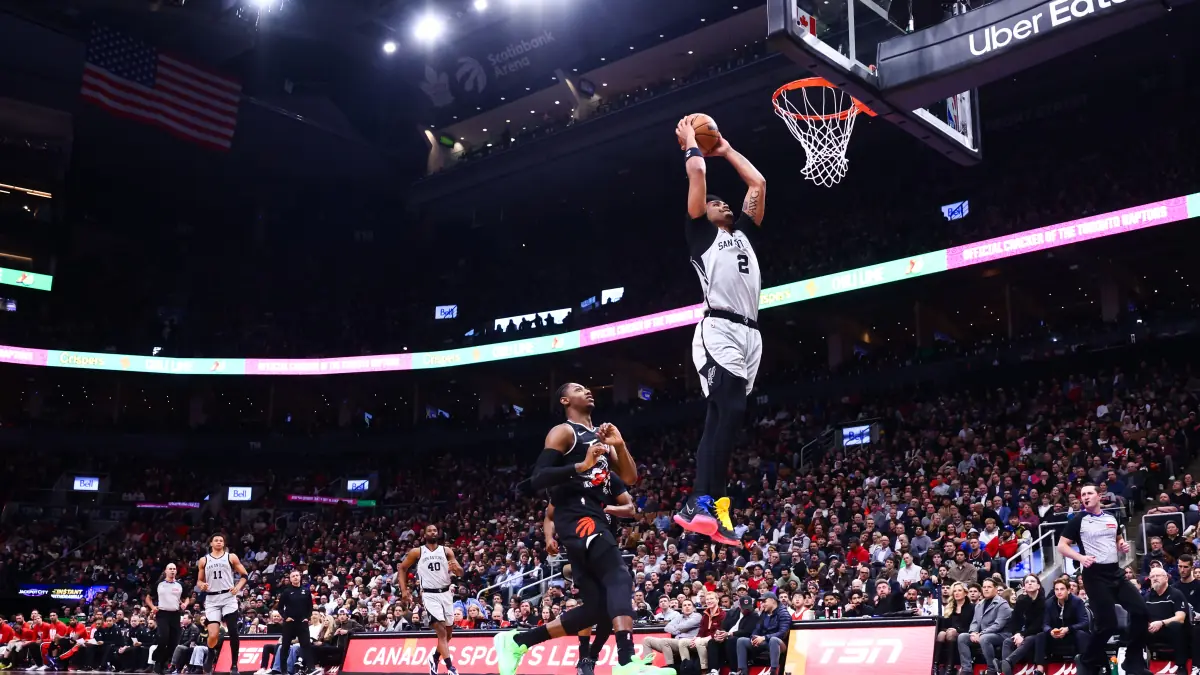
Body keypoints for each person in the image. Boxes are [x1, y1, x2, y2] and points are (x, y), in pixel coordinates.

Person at [493, 383, 667, 675]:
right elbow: (538, 477)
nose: (587, 391)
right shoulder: (564, 432)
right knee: (619, 575)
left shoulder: (601, 436)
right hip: (576, 514)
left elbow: (629, 478)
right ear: (565, 400)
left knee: (597, 609)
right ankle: (626, 661)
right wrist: (581, 465)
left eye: (587, 388)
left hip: (593, 516)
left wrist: (619, 445)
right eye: (578, 389)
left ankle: (518, 641)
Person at [672, 115, 766, 547]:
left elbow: (758, 183)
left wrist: (726, 150)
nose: (723, 204)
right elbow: (696, 172)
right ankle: (701, 501)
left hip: (751, 334)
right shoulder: (700, 234)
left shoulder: (744, 234)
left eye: (725, 203)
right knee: (730, 410)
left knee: (722, 418)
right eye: (716, 203)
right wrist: (692, 141)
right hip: (719, 327)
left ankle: (710, 506)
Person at [1058, 484, 1148, 675]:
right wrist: (1081, 558)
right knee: (1108, 625)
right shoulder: (1079, 520)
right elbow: (1062, 546)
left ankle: (1132, 660)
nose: (1085, 497)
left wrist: (1121, 544)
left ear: (1099, 496)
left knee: (1141, 611)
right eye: (1083, 494)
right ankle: (1087, 660)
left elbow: (1117, 538)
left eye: (1089, 493)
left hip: (1115, 572)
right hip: (1094, 575)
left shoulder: (1111, 517)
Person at [399, 525, 464, 675]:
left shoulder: (447, 551)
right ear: (424, 534)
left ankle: (434, 658)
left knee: (448, 635)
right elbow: (402, 568)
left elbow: (460, 572)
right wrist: (404, 590)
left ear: (438, 533)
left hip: (446, 593)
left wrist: (457, 569)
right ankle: (451, 668)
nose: (433, 532)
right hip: (429, 595)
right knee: (441, 631)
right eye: (430, 530)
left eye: (435, 530)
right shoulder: (417, 551)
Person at [197, 533, 250, 675]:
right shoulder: (203, 560)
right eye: (216, 540)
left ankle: (234, 665)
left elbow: (244, 575)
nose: (219, 542)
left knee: (233, 631)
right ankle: (211, 652)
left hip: (228, 597)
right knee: (213, 634)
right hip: (212, 599)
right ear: (211, 543)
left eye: (221, 540)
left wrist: (238, 587)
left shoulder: (231, 557)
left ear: (224, 543)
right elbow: (199, 580)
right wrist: (201, 585)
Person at [956, 577, 1011, 675]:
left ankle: (991, 669)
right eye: (984, 587)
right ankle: (967, 669)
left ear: (996, 589)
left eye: (989, 587)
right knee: (962, 637)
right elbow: (974, 622)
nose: (986, 589)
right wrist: (973, 632)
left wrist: (981, 634)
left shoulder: (1003, 604)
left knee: (985, 638)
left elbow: (998, 625)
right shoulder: (979, 604)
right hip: (983, 634)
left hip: (1001, 634)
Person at [1035, 579, 1089, 674]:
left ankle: (1085, 667)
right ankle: (1039, 669)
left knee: (1081, 634)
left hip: (1072, 634)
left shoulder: (1077, 602)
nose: (1059, 592)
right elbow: (1045, 624)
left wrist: (1068, 629)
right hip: (1056, 635)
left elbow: (1084, 622)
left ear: (1068, 590)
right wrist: (1050, 631)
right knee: (1040, 636)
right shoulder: (1049, 603)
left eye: (1062, 589)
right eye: (1056, 589)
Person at [998, 575, 1045, 675]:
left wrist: (1022, 635)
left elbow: (1038, 624)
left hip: (1038, 633)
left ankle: (1007, 662)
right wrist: (1017, 633)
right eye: (1027, 582)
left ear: (1038, 586)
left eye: (1032, 581)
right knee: (1007, 641)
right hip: (1023, 633)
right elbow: (1014, 621)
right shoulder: (1021, 601)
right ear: (1024, 587)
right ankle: (1007, 671)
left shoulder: (1043, 602)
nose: (1029, 583)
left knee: (1029, 639)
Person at [1143, 567, 1188, 674]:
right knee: (1134, 626)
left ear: (1166, 578)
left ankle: (1181, 665)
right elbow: (1142, 616)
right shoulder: (1147, 597)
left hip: (1169, 630)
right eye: (1152, 576)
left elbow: (1180, 618)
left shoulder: (1176, 594)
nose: (1154, 578)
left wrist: (1161, 623)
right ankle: (1138, 665)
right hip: (1152, 630)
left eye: (1157, 576)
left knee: (1176, 625)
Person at [734, 593, 790, 675]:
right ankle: (743, 671)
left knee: (773, 640)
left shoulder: (783, 613)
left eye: (764, 601)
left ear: (772, 600)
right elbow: (757, 628)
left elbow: (783, 633)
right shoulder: (764, 613)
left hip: (780, 643)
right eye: (762, 602)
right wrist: (753, 638)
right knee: (741, 641)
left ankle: (773, 671)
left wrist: (764, 637)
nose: (762, 604)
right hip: (764, 641)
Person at [275, 570, 319, 675]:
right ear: (290, 579)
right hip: (290, 623)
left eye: (297, 575)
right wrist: (286, 617)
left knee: (306, 645)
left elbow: (310, 607)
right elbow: (280, 608)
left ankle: (310, 668)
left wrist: (307, 617)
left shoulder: (306, 591)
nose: (295, 577)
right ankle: (283, 670)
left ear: (300, 577)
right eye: (293, 576)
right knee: (285, 646)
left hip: (302, 622)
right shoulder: (286, 591)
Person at [149, 562, 187, 675]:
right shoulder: (159, 584)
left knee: (174, 643)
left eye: (174, 569)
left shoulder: (180, 585)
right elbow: (148, 598)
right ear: (166, 571)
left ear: (176, 571)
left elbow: (187, 598)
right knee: (163, 638)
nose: (172, 570)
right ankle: (157, 660)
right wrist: (153, 607)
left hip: (175, 614)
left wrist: (185, 604)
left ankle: (162, 663)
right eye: (170, 568)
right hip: (162, 614)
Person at [705, 596, 759, 675]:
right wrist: (720, 633)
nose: (746, 610)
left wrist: (729, 634)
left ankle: (733, 670)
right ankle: (714, 670)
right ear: (739, 606)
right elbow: (724, 626)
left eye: (748, 608)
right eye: (744, 608)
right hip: (727, 636)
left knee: (731, 640)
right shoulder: (732, 612)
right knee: (712, 642)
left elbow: (747, 631)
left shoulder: (754, 615)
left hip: (741, 638)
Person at [644, 599, 700, 667]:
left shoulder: (697, 616)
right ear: (682, 609)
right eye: (684, 605)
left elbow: (684, 626)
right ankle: (648, 666)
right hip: (676, 641)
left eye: (689, 605)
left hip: (689, 642)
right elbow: (667, 628)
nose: (687, 607)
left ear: (693, 608)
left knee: (665, 641)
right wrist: (678, 630)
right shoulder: (679, 617)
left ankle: (670, 665)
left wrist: (676, 628)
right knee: (647, 640)